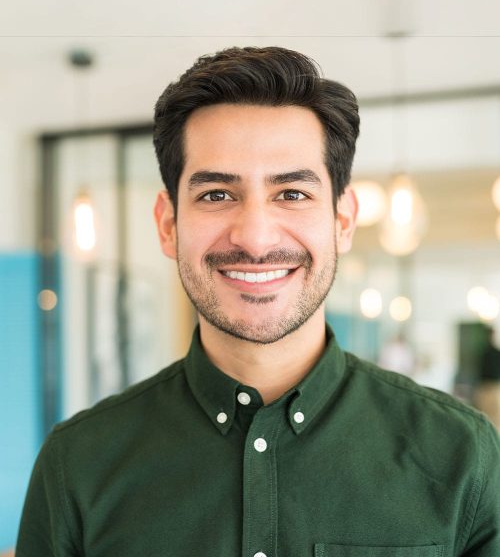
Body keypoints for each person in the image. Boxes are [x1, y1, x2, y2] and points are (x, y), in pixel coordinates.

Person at [17, 47, 499, 556]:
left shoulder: (462, 453)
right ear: (168, 224)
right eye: (217, 195)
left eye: (291, 194)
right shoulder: (79, 462)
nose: (254, 237)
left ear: (342, 220)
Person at [475, 326, 500, 430]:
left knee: (495, 413)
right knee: (485, 412)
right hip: (485, 385)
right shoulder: (483, 352)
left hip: (493, 385)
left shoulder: (495, 352)